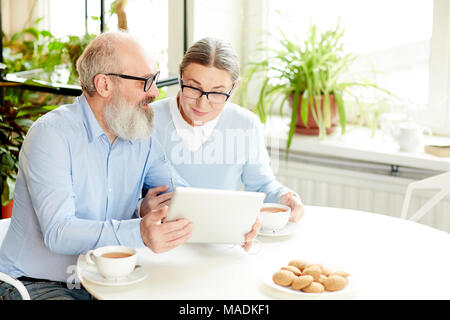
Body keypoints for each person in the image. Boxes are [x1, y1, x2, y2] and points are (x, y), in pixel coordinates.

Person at [0, 31, 194, 300]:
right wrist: (139, 228)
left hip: (110, 277)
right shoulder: (51, 135)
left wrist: (235, 221)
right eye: (145, 82)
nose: (155, 92)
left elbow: (182, 196)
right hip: (39, 283)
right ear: (104, 85)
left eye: (155, 79)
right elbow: (59, 232)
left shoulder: (140, 135)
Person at [149, 38, 304, 227]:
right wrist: (141, 206)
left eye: (217, 93)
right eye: (193, 88)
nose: (202, 103)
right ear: (181, 74)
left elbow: (262, 184)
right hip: (161, 236)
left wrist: (284, 196)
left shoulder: (246, 124)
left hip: (220, 237)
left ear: (234, 87)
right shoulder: (148, 120)